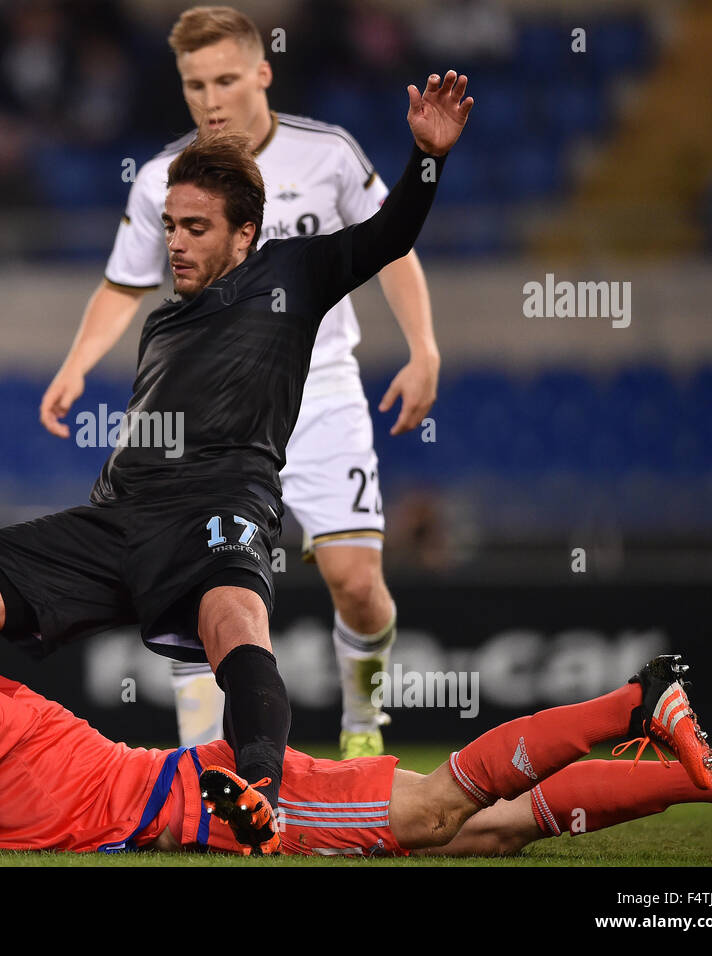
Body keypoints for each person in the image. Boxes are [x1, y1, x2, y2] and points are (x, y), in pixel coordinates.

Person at [0, 67, 469, 853]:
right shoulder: (165, 321)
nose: (176, 242)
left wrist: (427, 159)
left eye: (197, 227)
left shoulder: (292, 276)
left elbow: (388, 234)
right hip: (120, 519)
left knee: (238, 626)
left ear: (245, 235)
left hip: (221, 508)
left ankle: (257, 792)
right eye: (170, 225)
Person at [0, 579, 712, 858]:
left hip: (215, 797)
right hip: (194, 800)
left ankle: (636, 697)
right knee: (501, 829)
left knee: (444, 811)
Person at [38, 7, 442, 758]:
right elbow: (124, 284)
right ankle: (204, 760)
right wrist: (76, 363)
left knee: (356, 583)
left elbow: (392, 246)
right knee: (195, 590)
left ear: (262, 73)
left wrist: (423, 347)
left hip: (318, 394)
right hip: (211, 416)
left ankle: (361, 720)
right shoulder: (164, 177)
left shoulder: (328, 152)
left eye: (225, 78)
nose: (210, 99)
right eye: (194, 84)